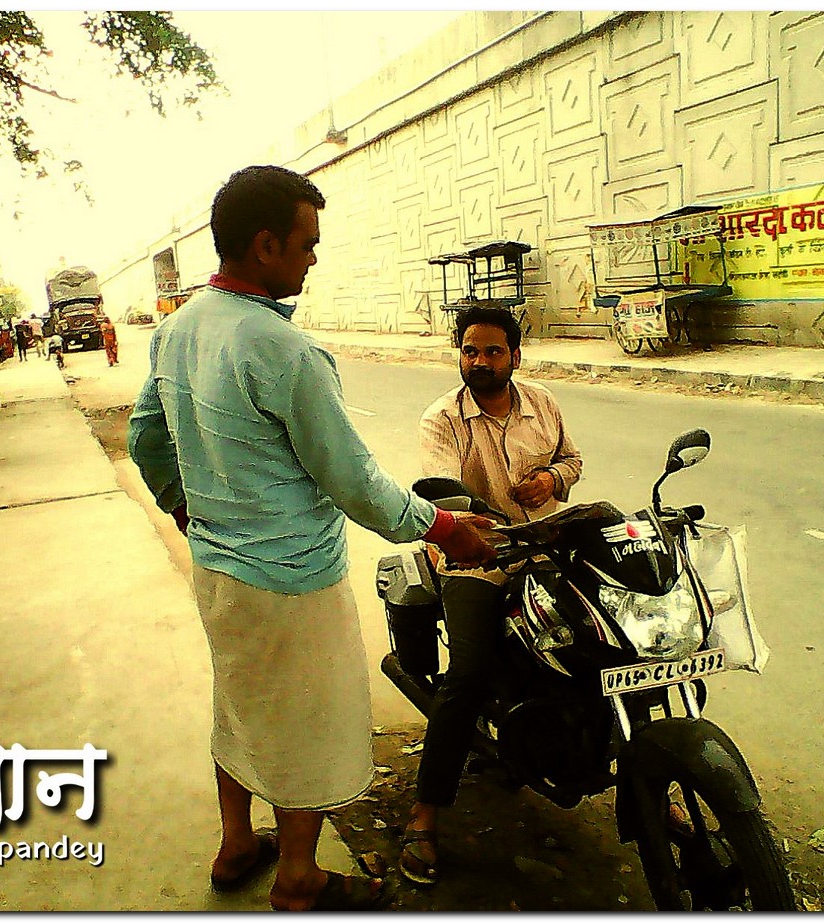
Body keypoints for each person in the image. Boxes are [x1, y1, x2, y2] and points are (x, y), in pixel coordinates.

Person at [128, 165, 497, 912]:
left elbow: (145, 438)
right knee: (307, 726)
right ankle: (297, 874)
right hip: (291, 581)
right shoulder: (283, 350)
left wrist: (187, 511)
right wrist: (446, 528)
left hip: (218, 572)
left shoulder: (178, 329)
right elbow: (354, 480)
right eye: (307, 244)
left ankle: (237, 843)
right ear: (266, 245)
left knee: (238, 707)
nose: (313, 259)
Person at [399, 305, 582, 887]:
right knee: (469, 673)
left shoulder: (542, 402)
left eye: (493, 351)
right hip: (475, 555)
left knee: (611, 646)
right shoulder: (443, 418)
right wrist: (475, 518)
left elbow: (572, 460)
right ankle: (425, 814)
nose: (480, 361)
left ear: (515, 356)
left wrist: (552, 479)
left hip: (546, 544)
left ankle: (648, 780)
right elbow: (440, 493)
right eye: (470, 350)